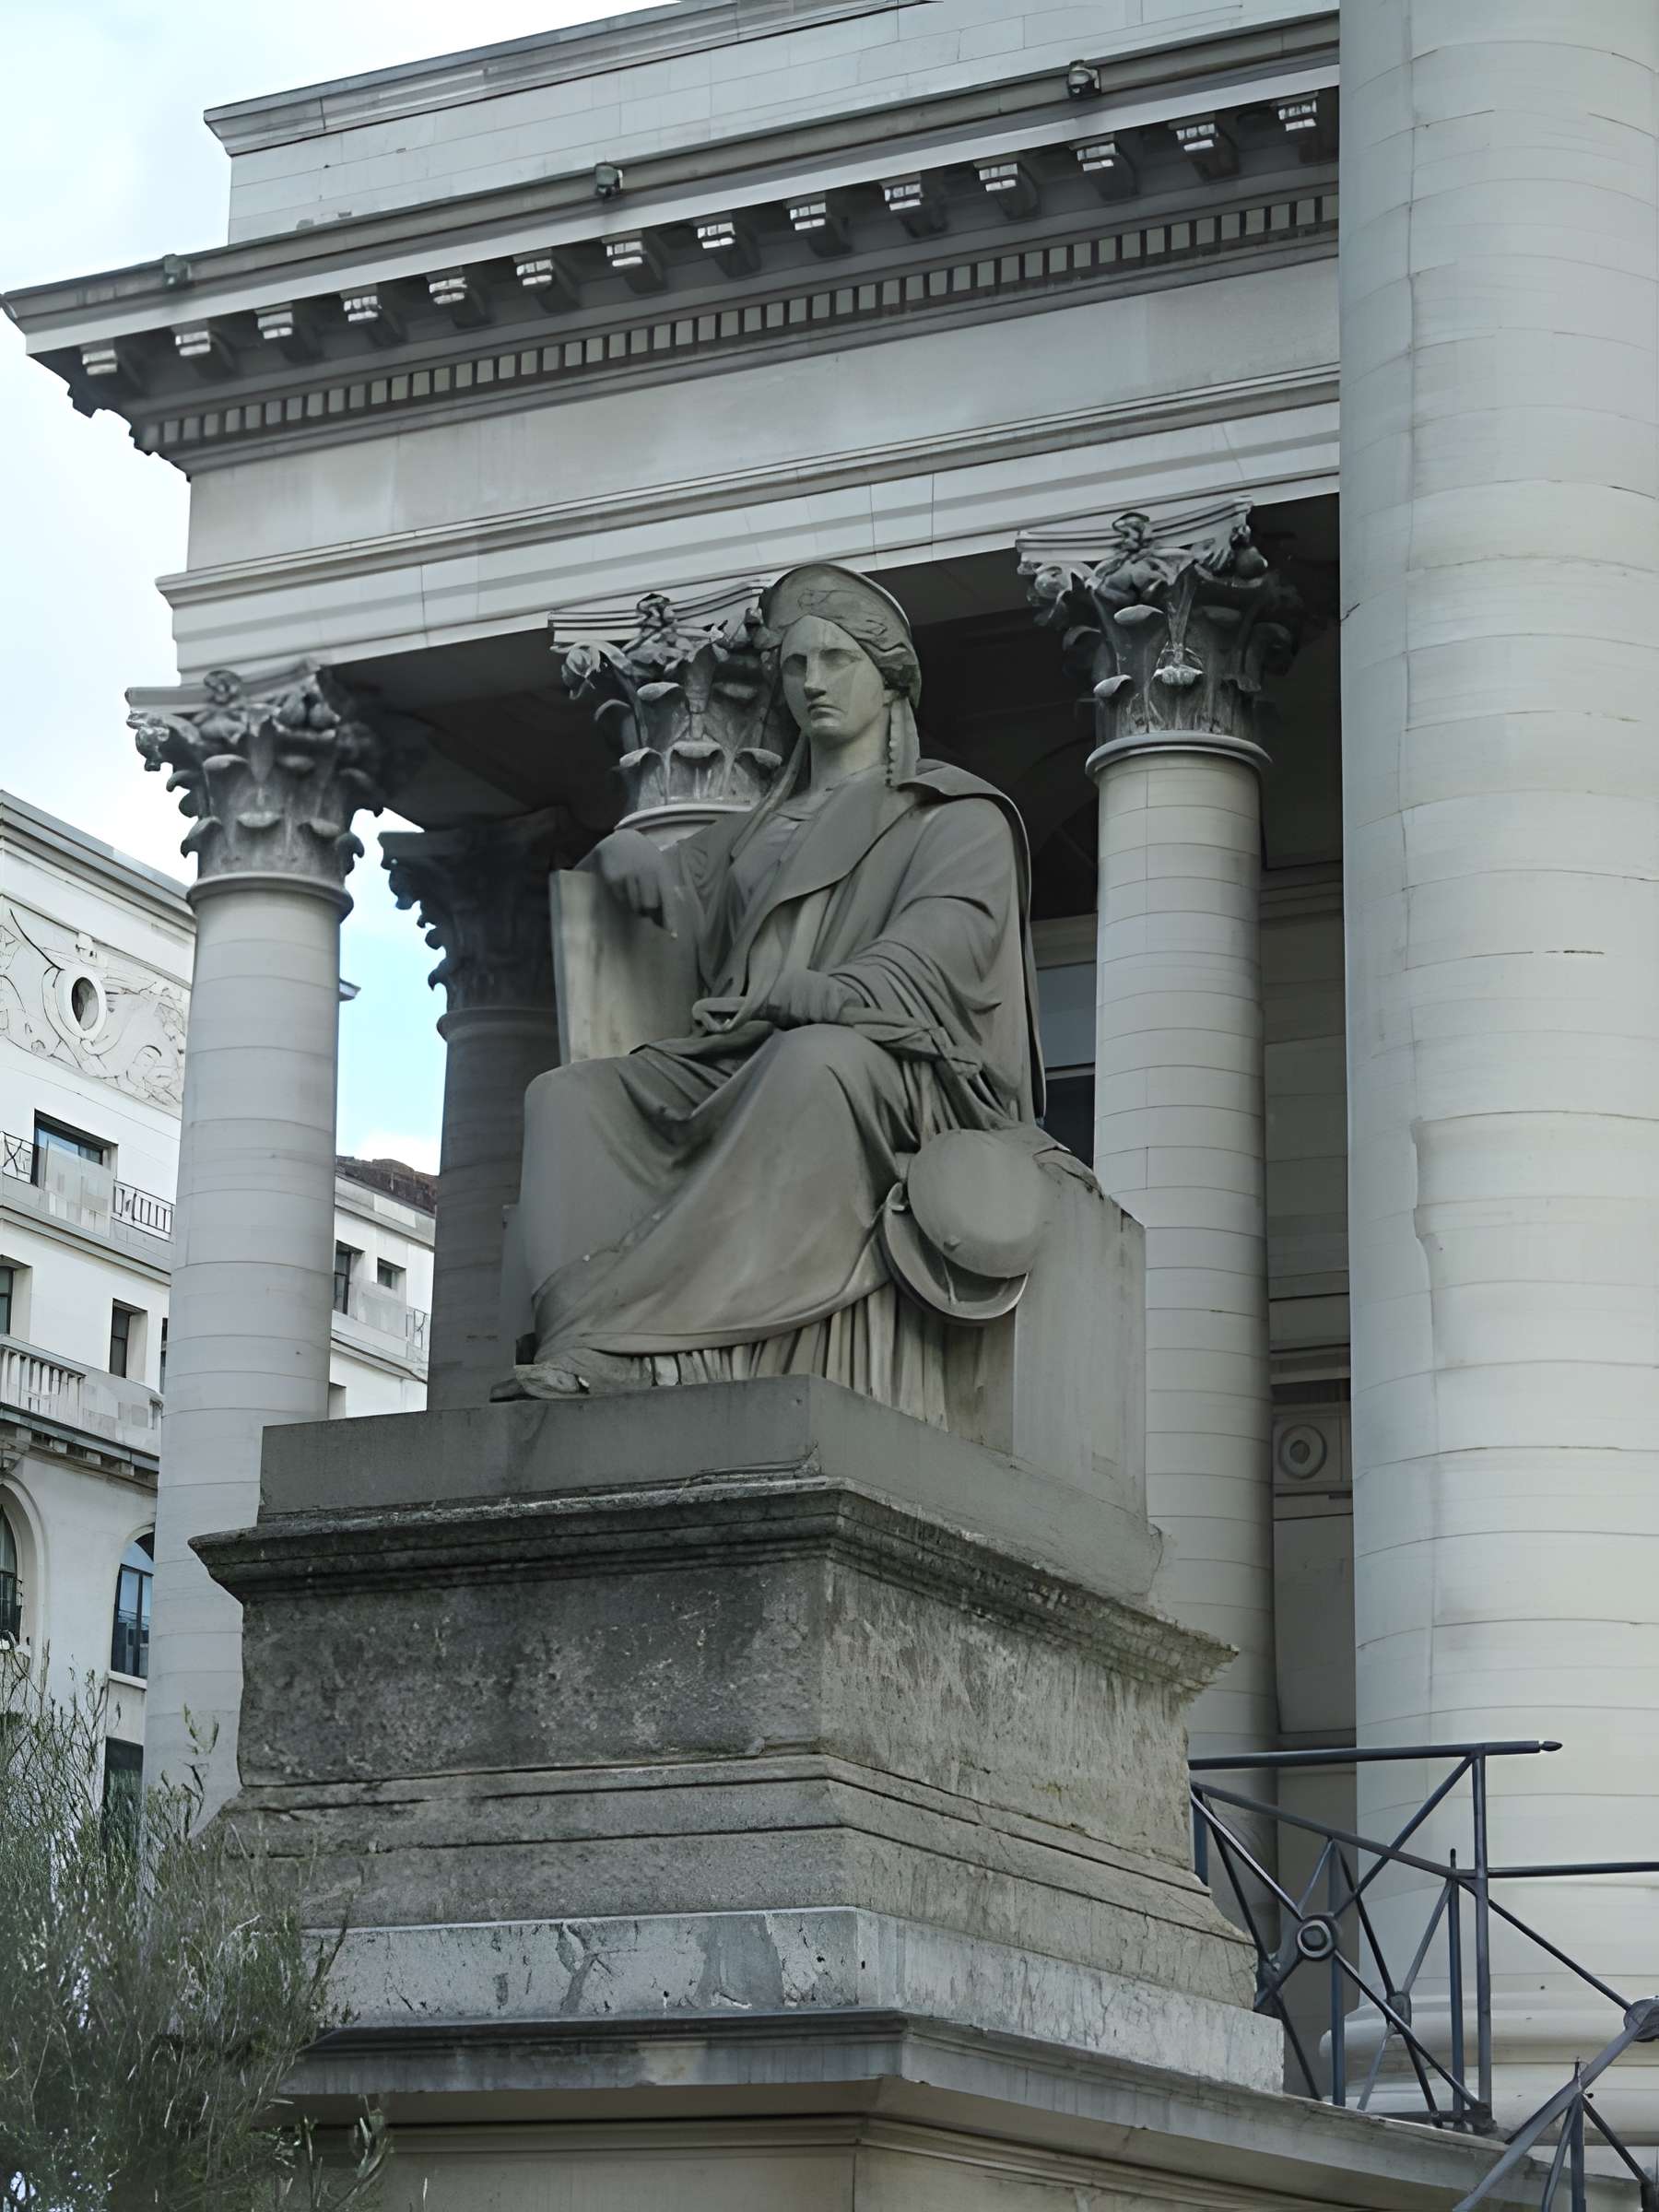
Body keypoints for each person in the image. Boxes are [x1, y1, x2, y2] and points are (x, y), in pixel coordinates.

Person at [502, 563, 1057, 1418]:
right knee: (568, 1098)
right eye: (796, 667)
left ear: (890, 679)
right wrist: (618, 857)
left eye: (838, 661)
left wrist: (822, 992)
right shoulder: (750, 833)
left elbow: (941, 954)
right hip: (737, 1053)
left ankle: (661, 1351)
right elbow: (669, 912)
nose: (812, 684)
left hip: (896, 1067)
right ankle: (582, 1330)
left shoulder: (953, 816)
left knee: (813, 1067)